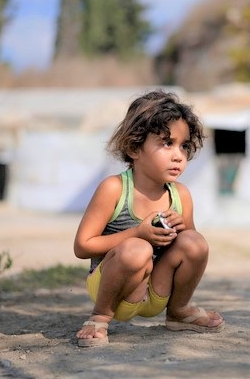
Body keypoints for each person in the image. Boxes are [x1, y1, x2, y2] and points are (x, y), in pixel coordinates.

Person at [74, 89, 225, 347]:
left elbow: (189, 251)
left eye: (184, 145)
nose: (179, 155)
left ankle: (179, 312)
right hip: (114, 290)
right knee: (137, 249)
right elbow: (82, 246)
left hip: (157, 289)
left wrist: (179, 230)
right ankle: (99, 317)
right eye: (167, 143)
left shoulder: (180, 195)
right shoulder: (115, 189)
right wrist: (136, 233)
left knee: (195, 241)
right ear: (134, 147)